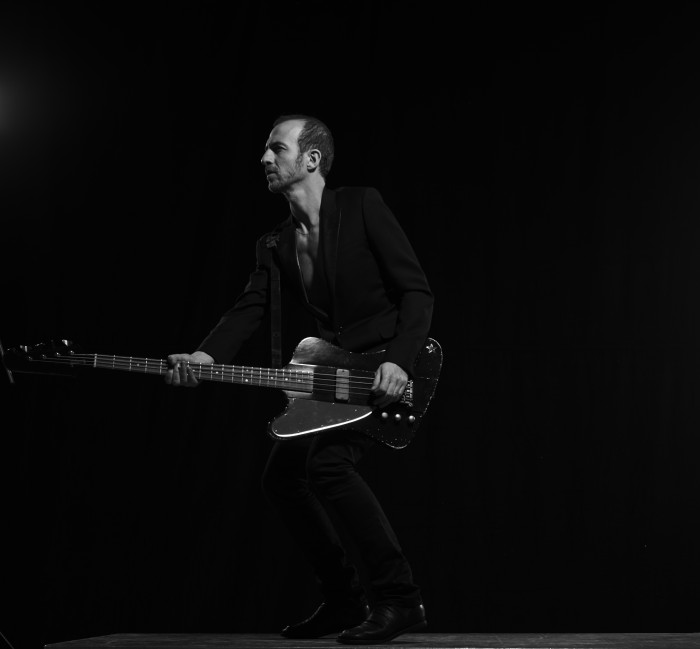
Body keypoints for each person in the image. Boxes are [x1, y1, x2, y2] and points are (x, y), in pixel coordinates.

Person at [165, 114, 434, 645]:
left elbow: (417, 292)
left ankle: (400, 600)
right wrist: (203, 356)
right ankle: (344, 600)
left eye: (276, 148)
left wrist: (400, 361)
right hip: (332, 377)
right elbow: (250, 308)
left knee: (327, 464)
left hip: (386, 372)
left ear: (311, 159)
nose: (264, 159)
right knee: (281, 479)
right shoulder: (275, 243)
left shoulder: (361, 206)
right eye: (265, 151)